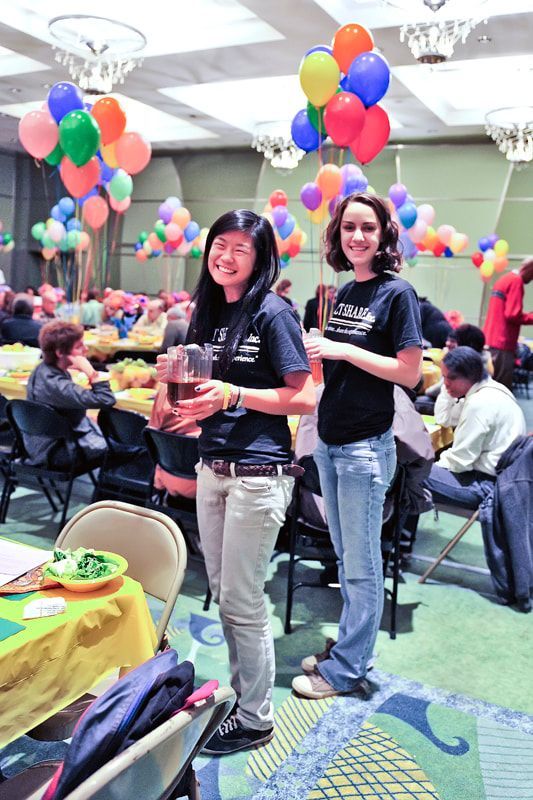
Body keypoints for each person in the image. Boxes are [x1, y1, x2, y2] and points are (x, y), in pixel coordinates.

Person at [156, 209, 314, 755]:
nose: (226, 256)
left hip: (257, 475)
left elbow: (306, 395)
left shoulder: (273, 313)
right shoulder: (207, 311)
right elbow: (196, 406)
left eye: (240, 249)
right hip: (213, 468)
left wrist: (234, 394)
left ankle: (255, 718)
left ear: (261, 257)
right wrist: (174, 390)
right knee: (226, 597)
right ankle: (245, 697)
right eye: (219, 244)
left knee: (243, 601)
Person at [291, 192, 423, 700]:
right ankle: (349, 646)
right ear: (338, 234)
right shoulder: (346, 291)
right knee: (346, 559)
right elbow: (345, 367)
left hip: (366, 448)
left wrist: (343, 347)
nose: (358, 237)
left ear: (384, 234)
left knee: (363, 565)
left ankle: (347, 670)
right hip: (331, 440)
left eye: (368, 228)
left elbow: (408, 373)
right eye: (349, 227)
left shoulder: (397, 294)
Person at [427, 347, 526, 508]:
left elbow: (460, 461)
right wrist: (448, 388)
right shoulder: (492, 389)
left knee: (411, 472)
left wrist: (430, 467)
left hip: (488, 486)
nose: (445, 384)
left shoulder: (479, 403)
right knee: (420, 468)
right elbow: (444, 418)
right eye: (443, 378)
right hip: (506, 481)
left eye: (450, 378)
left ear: (470, 376)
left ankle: (399, 532)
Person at [25, 321, 115, 467]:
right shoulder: (56, 385)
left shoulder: (41, 370)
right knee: (129, 446)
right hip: (56, 451)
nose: (86, 349)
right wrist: (92, 374)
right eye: (79, 347)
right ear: (60, 352)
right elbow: (106, 399)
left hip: (41, 442)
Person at [483, 257, 533, 389]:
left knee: (489, 385)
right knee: (500, 388)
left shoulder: (504, 279)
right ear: (530, 268)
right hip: (503, 342)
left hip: (491, 339)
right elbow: (513, 314)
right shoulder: (516, 281)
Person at [148, 384, 200, 499]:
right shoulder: (222, 390)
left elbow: (152, 429)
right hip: (206, 486)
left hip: (167, 476)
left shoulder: (165, 386)